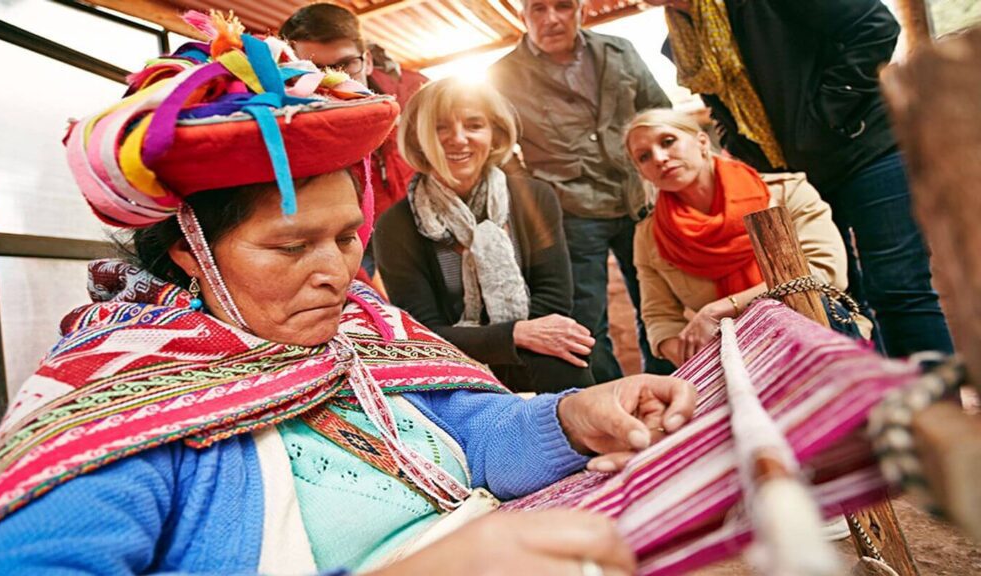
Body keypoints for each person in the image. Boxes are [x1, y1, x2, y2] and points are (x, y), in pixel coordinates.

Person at [0, 21, 697, 576]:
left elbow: (473, 431)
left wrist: (570, 418)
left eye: (347, 238)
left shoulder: (361, 328)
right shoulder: (119, 398)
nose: (337, 274)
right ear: (190, 250)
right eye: (289, 246)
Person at [648, 0, 953, 358]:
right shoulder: (680, 37)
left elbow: (875, 27)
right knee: (832, 297)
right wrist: (746, 150)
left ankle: (937, 406)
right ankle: (875, 402)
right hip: (793, 173)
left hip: (864, 150)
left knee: (899, 287)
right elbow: (721, 104)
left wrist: (828, 116)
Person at [489, 0, 676, 381]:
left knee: (659, 304)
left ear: (582, 10)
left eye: (563, 6)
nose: (552, 18)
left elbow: (658, 111)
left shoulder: (619, 49)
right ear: (522, 16)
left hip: (639, 201)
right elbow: (499, 147)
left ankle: (669, 384)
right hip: (570, 213)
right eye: (538, 9)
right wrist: (535, 195)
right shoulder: (502, 74)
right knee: (585, 320)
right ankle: (613, 399)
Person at [373, 78, 595, 393]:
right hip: (452, 361)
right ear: (418, 139)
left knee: (570, 362)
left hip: (535, 347)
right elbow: (423, 330)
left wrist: (516, 339)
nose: (458, 139)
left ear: (494, 135)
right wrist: (512, 336)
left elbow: (554, 299)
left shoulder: (535, 197)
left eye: (474, 125)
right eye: (440, 128)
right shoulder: (395, 225)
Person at [625, 109, 870, 367]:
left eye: (667, 142)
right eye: (644, 157)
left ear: (702, 142)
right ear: (642, 173)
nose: (659, 158)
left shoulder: (787, 192)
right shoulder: (649, 236)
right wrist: (702, 361)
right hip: (735, 359)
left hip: (819, 331)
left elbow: (823, 273)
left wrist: (721, 309)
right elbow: (659, 318)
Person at [281, 3, 427, 280]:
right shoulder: (282, 137)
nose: (332, 82)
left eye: (345, 65)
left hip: (419, 236)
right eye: (312, 69)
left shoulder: (411, 102)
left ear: (367, 60)